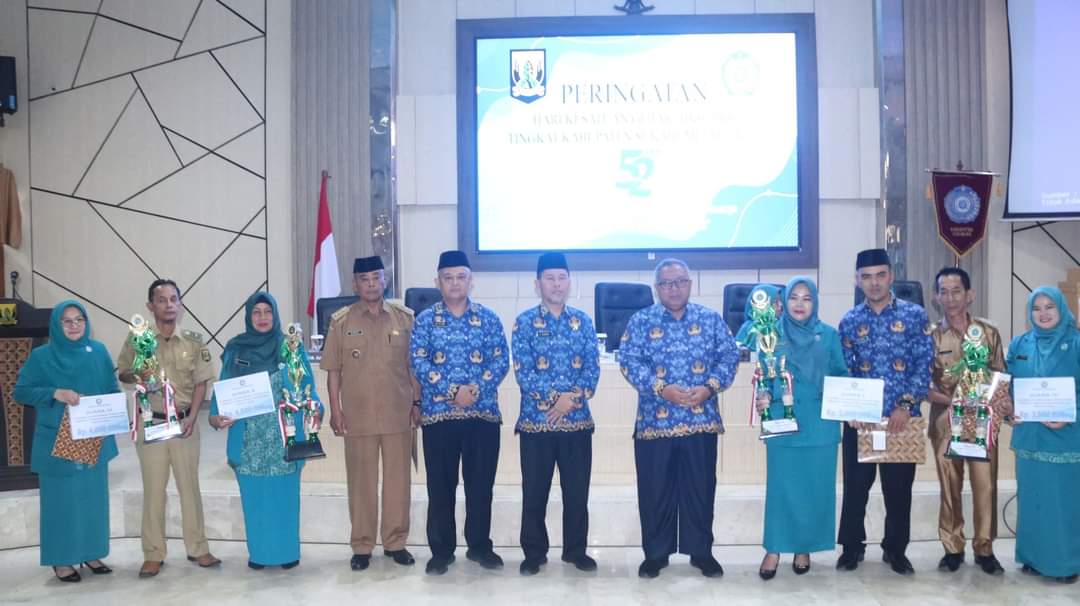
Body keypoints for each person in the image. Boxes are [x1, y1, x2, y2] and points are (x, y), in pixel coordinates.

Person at [619, 258, 739, 579]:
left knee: (700, 490)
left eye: (680, 282)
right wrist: (661, 389)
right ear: (657, 288)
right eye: (667, 283)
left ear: (690, 284)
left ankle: (701, 553)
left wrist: (709, 387)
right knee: (654, 492)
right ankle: (655, 555)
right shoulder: (641, 321)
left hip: (701, 420)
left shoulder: (710, 319)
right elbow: (629, 361)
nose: (674, 289)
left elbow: (729, 356)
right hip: (655, 423)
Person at [409, 250, 509, 575]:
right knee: (441, 487)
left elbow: (500, 360)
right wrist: (452, 391)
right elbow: (418, 362)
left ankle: (480, 546)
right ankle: (442, 551)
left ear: (470, 280)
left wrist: (473, 391)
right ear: (437, 282)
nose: (455, 283)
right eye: (448, 278)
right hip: (439, 417)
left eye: (461, 277)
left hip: (482, 416)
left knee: (481, 486)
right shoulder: (425, 320)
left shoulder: (488, 318)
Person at [836, 248, 933, 576]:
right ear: (857, 280)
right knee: (855, 489)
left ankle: (895, 550)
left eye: (880, 275)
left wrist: (905, 406)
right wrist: (851, 409)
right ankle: (851, 548)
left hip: (900, 421)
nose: (874, 283)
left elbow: (923, 364)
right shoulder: (849, 321)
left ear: (891, 276)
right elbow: (844, 370)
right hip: (860, 421)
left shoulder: (915, 315)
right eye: (866, 277)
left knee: (898, 491)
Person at [209, 292, 322, 569]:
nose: (262, 318)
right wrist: (216, 415)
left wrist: (315, 407)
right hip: (249, 439)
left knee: (284, 496)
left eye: (267, 312)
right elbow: (223, 387)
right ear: (249, 316)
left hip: (284, 437)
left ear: (275, 315)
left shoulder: (290, 347)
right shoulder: (236, 348)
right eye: (256, 312)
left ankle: (286, 553)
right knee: (255, 496)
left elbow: (307, 383)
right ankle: (259, 554)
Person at [116, 279, 220, 578]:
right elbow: (123, 372)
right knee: (154, 490)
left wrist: (193, 417)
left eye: (174, 299)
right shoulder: (138, 339)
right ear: (151, 306)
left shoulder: (193, 341)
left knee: (190, 488)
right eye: (162, 300)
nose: (169, 305)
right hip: (153, 423)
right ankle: (153, 553)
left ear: (180, 304)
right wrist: (139, 374)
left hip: (185, 424)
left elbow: (201, 382)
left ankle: (198, 548)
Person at [322, 256, 420, 571]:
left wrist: (417, 403)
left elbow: (413, 368)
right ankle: (362, 545)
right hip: (358, 416)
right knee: (361, 483)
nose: (371, 285)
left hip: (397, 414)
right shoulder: (341, 322)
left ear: (384, 280)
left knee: (397, 483)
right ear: (355, 284)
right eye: (364, 280)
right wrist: (336, 410)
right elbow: (333, 371)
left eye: (376, 278)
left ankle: (395, 543)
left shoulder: (404, 319)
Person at [14, 301, 120, 582]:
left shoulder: (98, 351)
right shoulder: (41, 356)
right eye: (67, 321)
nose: (74, 326)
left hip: (93, 435)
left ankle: (91, 552)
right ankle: (61, 560)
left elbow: (111, 388)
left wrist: (114, 410)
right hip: (57, 440)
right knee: (60, 502)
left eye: (79, 320)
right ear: (56, 325)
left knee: (92, 499)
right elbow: (21, 391)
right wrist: (55, 393)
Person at [512, 252, 601, 576]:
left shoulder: (583, 322)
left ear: (569, 282)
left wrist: (571, 400)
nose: (557, 284)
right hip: (537, 424)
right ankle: (534, 553)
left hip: (577, 423)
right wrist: (554, 400)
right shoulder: (524, 323)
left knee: (576, 493)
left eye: (562, 278)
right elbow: (523, 372)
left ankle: (576, 551)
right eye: (550, 278)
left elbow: (592, 369)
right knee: (534, 493)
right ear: (537, 284)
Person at [753, 277, 848, 579]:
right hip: (783, 422)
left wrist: (853, 402)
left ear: (815, 303)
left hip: (820, 425)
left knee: (814, 489)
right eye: (794, 297)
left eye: (807, 298)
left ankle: (803, 548)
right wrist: (762, 395)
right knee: (781, 489)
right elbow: (764, 374)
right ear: (784, 302)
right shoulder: (771, 334)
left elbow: (841, 374)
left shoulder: (828, 335)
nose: (799, 304)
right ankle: (773, 548)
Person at [927, 267, 1006, 575]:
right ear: (936, 297)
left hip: (983, 422)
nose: (950, 298)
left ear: (969, 294)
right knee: (950, 487)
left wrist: (991, 405)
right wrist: (954, 403)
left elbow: (1001, 377)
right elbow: (922, 385)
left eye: (956, 291)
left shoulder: (988, 333)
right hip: (946, 421)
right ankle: (952, 548)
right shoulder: (931, 336)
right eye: (943, 292)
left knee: (985, 486)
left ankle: (985, 549)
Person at [1006, 286, 1080, 584]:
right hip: (1028, 437)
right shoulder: (1019, 343)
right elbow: (1008, 385)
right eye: (1037, 308)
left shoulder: (1076, 343)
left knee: (1061, 503)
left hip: (1065, 438)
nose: (1043, 313)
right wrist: (1008, 407)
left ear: (1061, 308)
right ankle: (1032, 557)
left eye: (1050, 306)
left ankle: (1065, 563)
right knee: (1032, 500)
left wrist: (1071, 413)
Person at [735, 284, 783, 348]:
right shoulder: (748, 328)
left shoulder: (784, 325)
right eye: (775, 302)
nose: (780, 306)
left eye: (781, 301)